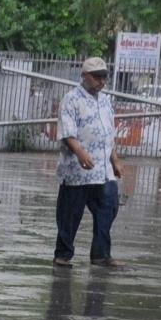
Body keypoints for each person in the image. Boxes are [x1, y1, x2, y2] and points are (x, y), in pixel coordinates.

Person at [55, 56, 125, 269]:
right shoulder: (71, 100)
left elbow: (108, 135)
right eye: (97, 77)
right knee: (70, 214)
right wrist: (80, 152)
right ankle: (63, 255)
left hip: (103, 171)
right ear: (84, 76)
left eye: (104, 77)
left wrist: (115, 160)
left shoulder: (105, 101)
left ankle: (101, 255)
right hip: (78, 170)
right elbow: (68, 132)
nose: (101, 82)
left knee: (109, 208)